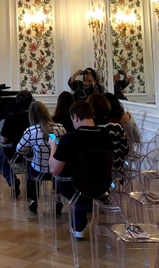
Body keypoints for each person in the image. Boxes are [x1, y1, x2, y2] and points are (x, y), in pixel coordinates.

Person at [48, 100, 112, 238]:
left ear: (75, 117)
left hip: (75, 187)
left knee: (72, 177)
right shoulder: (107, 135)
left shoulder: (69, 139)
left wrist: (53, 147)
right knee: (86, 176)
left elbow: (54, 169)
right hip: (103, 185)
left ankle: (78, 227)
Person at [16, 101, 66, 214]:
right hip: (57, 169)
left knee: (31, 167)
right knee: (56, 172)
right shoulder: (60, 128)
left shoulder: (31, 131)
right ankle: (58, 199)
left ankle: (34, 199)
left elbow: (19, 150)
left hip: (39, 170)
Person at [0, 91, 33, 198]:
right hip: (32, 153)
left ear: (17, 102)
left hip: (14, 154)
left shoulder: (11, 118)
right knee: (31, 157)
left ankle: (12, 180)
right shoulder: (35, 117)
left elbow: (4, 140)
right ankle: (31, 183)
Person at [88, 93, 129, 173]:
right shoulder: (116, 125)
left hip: (92, 171)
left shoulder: (88, 126)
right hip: (116, 169)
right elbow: (125, 150)